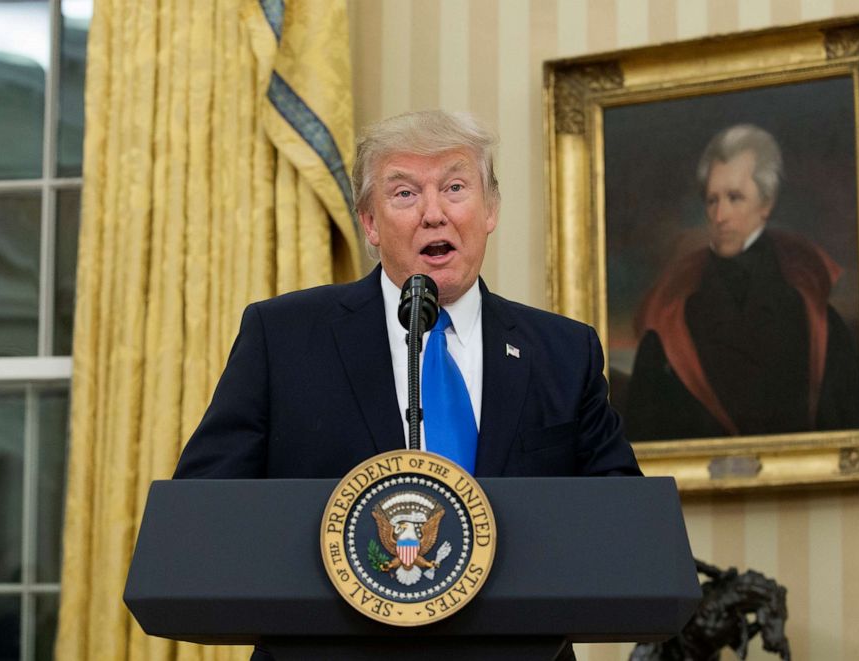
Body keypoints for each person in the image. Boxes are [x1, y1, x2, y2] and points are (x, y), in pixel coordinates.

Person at [173, 110, 641, 480]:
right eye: (404, 194)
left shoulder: (563, 352)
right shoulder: (282, 340)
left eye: (455, 187)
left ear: (490, 209)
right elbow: (207, 513)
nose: (434, 213)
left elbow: (621, 522)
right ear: (370, 223)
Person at [619, 124, 859, 441]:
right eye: (711, 201)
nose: (720, 216)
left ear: (765, 204)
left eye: (735, 198)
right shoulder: (671, 317)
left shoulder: (814, 317)